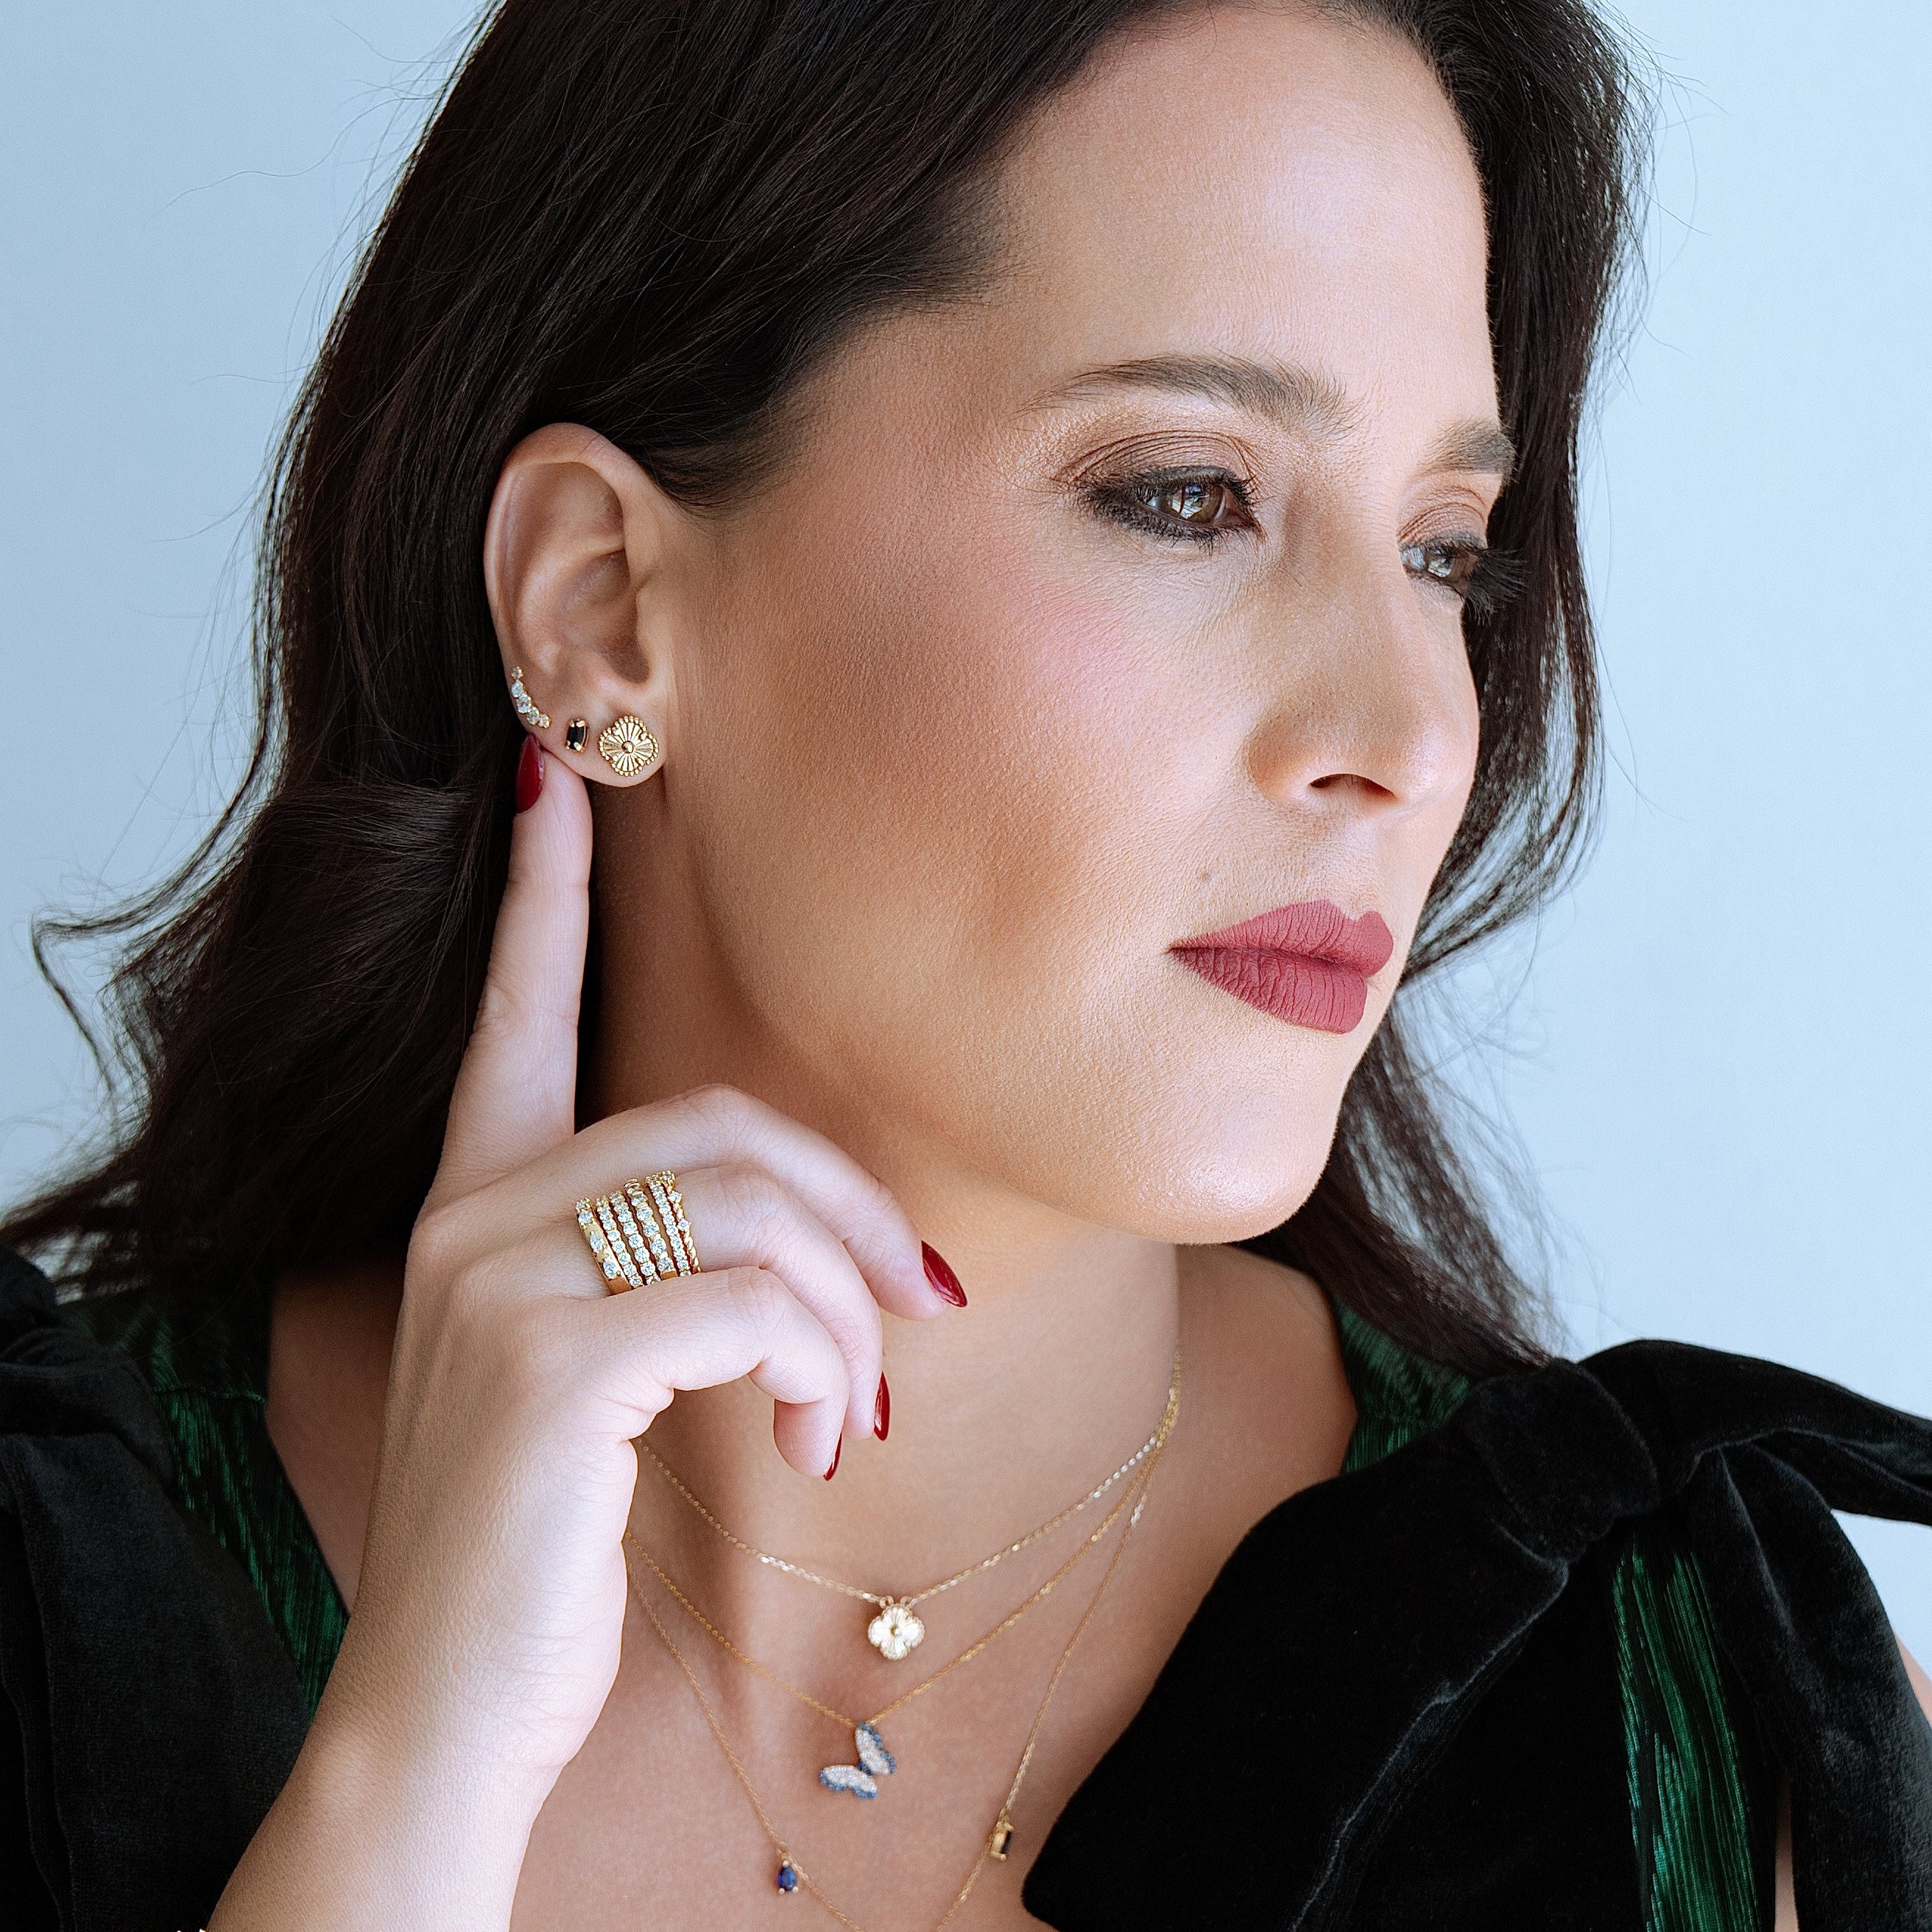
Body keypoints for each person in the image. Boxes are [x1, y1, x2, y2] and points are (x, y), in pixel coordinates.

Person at [2, 1, 1928, 1927]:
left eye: (1444, 551)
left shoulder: (1707, 1730)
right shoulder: (53, 1601)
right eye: (1187, 495)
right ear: (602, 610)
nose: (1410, 733)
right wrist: (405, 1778)